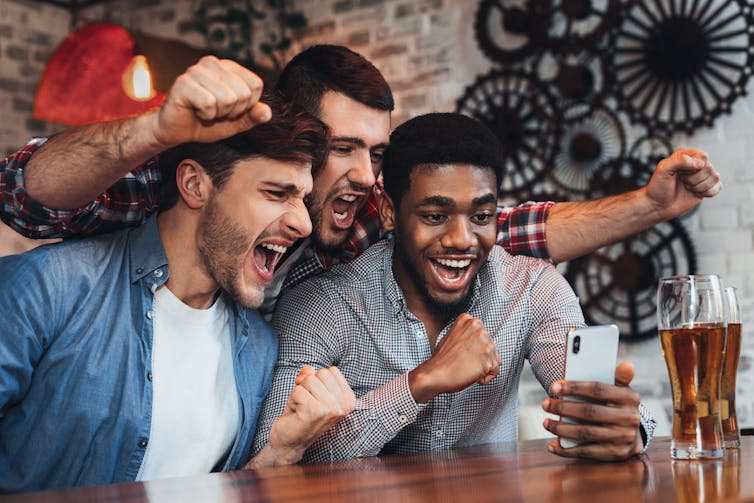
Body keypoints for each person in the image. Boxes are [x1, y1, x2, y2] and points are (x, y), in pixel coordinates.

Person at [0, 46, 721, 316]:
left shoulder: (364, 210)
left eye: (376, 154)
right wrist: (155, 128)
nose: (364, 176)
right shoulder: (199, 187)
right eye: (342, 149)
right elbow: (22, 193)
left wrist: (650, 205)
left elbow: (512, 225)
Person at [0, 92, 355, 493]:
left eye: (303, 200)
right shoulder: (50, 286)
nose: (303, 225)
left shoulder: (257, 347)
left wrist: (281, 452)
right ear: (194, 185)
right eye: (276, 193)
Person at [254, 113, 653, 463]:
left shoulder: (533, 289)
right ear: (391, 213)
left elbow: (587, 398)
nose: (462, 239)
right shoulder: (321, 306)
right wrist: (421, 383)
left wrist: (628, 430)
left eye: (481, 215)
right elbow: (279, 453)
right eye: (435, 215)